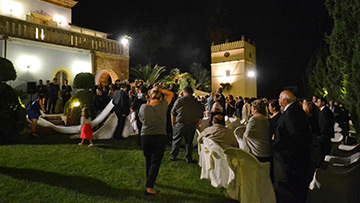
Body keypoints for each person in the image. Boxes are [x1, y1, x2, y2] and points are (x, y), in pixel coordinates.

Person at [274, 90, 311, 203]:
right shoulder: (293, 110)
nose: (278, 100)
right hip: (291, 157)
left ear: (285, 101)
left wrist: (285, 152)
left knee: (291, 189)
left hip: (291, 160)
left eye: (280, 98)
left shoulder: (291, 112)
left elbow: (296, 135)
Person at [138, 87, 174, 195]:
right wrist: (159, 89)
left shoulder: (143, 107)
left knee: (148, 159)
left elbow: (141, 119)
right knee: (155, 162)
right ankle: (149, 186)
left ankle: (150, 180)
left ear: (150, 96)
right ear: (160, 97)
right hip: (159, 136)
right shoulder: (163, 105)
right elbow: (171, 94)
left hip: (145, 136)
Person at [170, 86, 204, 163]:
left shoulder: (180, 100)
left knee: (176, 140)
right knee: (189, 142)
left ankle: (173, 155)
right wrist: (198, 125)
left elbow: (173, 112)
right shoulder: (197, 102)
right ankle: (188, 157)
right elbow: (200, 116)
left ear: (185, 92)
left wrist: (173, 124)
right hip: (192, 124)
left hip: (181, 123)